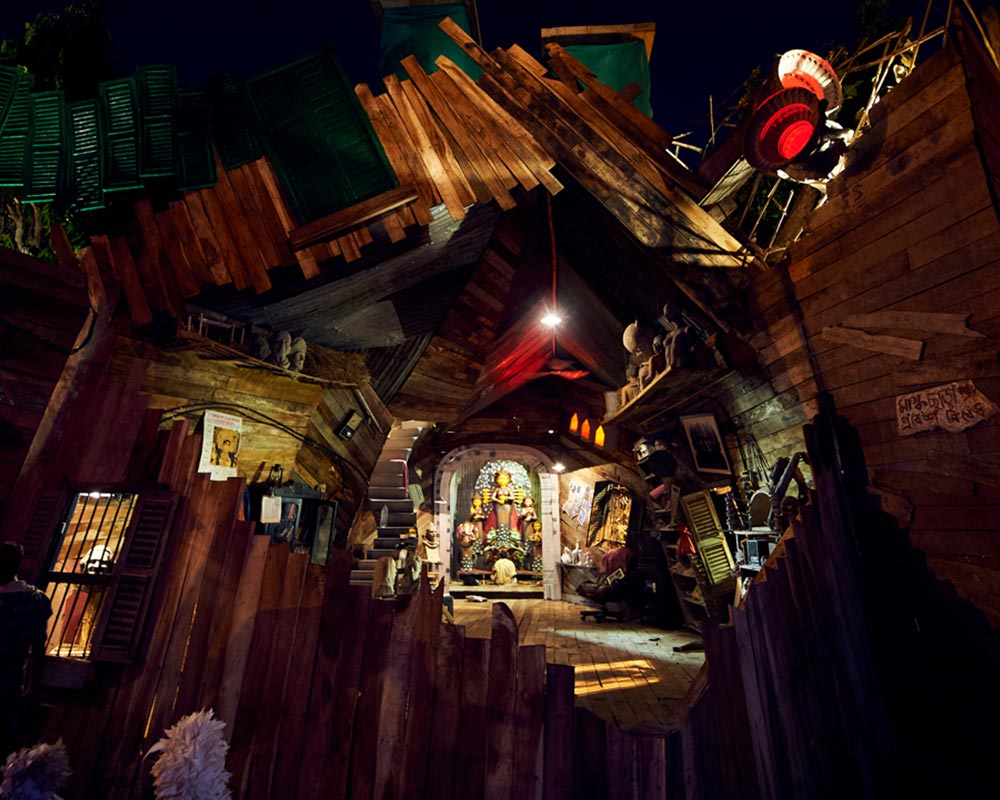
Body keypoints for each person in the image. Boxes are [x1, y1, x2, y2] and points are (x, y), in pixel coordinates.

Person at [0, 541, 52, 757]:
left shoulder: (32, 600)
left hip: (9, 690)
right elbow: (38, 647)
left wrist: (34, 686)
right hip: (12, 689)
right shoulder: (34, 600)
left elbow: (38, 647)